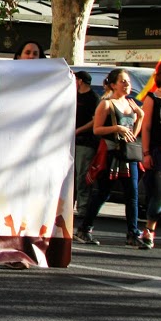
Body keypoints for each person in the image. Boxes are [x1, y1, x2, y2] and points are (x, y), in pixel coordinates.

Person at [76, 68, 144, 247]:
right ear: (113, 85)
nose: (127, 84)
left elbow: (133, 135)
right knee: (103, 193)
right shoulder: (106, 104)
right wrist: (116, 128)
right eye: (123, 81)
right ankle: (84, 229)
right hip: (111, 154)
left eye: (128, 81)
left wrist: (140, 117)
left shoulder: (131, 105)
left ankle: (133, 233)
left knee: (132, 195)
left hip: (128, 155)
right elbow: (97, 129)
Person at [139, 60, 161, 251]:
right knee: (160, 194)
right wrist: (146, 153)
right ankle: (149, 230)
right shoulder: (152, 98)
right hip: (159, 152)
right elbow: (146, 128)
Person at [73, 70, 99, 218]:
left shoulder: (93, 97)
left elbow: (96, 120)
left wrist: (79, 130)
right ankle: (68, 208)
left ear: (80, 81)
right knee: (71, 178)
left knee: (82, 177)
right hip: (71, 142)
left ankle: (83, 210)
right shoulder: (73, 96)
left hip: (86, 143)